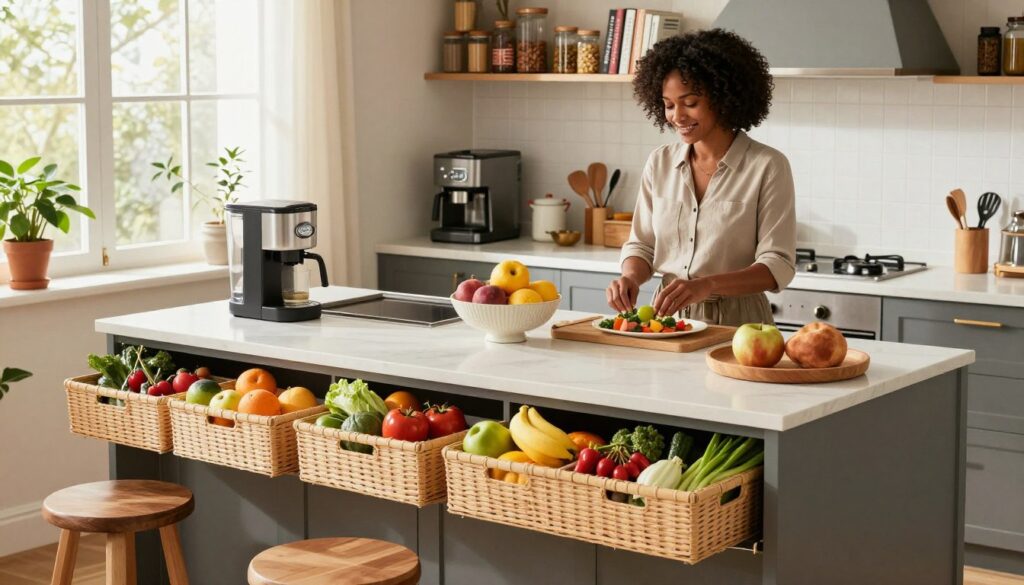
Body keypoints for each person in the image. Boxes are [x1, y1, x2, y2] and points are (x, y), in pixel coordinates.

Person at [606, 29, 796, 327]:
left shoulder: (768, 166)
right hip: (667, 320)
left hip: (739, 325)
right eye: (669, 105)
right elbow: (642, 246)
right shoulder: (660, 163)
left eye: (690, 102)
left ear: (723, 97)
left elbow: (777, 265)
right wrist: (630, 276)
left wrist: (707, 285)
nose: (677, 116)